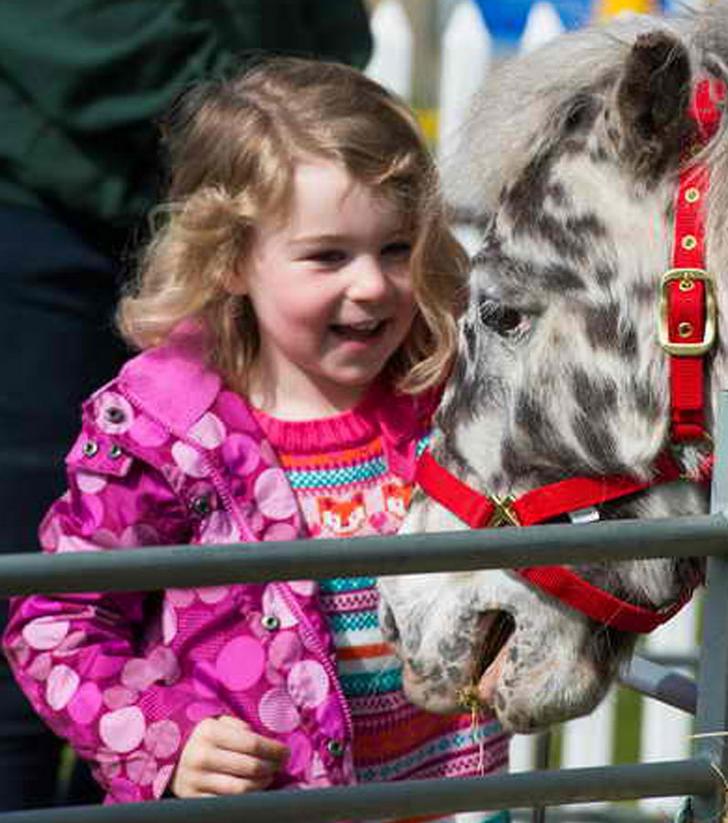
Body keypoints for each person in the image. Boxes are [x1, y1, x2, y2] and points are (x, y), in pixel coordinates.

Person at [1, 57, 510, 819]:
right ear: (232, 258)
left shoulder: (447, 401)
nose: (372, 284)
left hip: (443, 799)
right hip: (254, 808)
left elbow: (511, 553)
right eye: (328, 255)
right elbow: (55, 623)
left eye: (397, 247)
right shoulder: (164, 432)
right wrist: (168, 739)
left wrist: (507, 631)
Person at [0, 2, 372, 809]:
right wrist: (253, 128)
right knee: (35, 612)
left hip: (268, 205)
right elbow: (55, 619)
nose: (377, 285)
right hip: (54, 203)